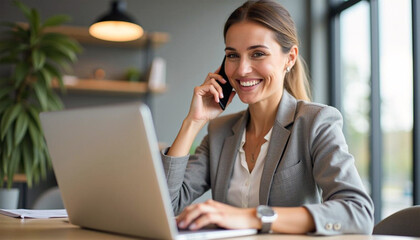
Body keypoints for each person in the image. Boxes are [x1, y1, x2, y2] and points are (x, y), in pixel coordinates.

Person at [161, 0, 374, 235]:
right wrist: (193, 122)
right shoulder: (220, 132)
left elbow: (358, 212)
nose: (242, 70)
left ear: (290, 57)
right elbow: (166, 205)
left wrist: (252, 217)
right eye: (233, 55)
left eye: (258, 54)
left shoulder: (316, 122)